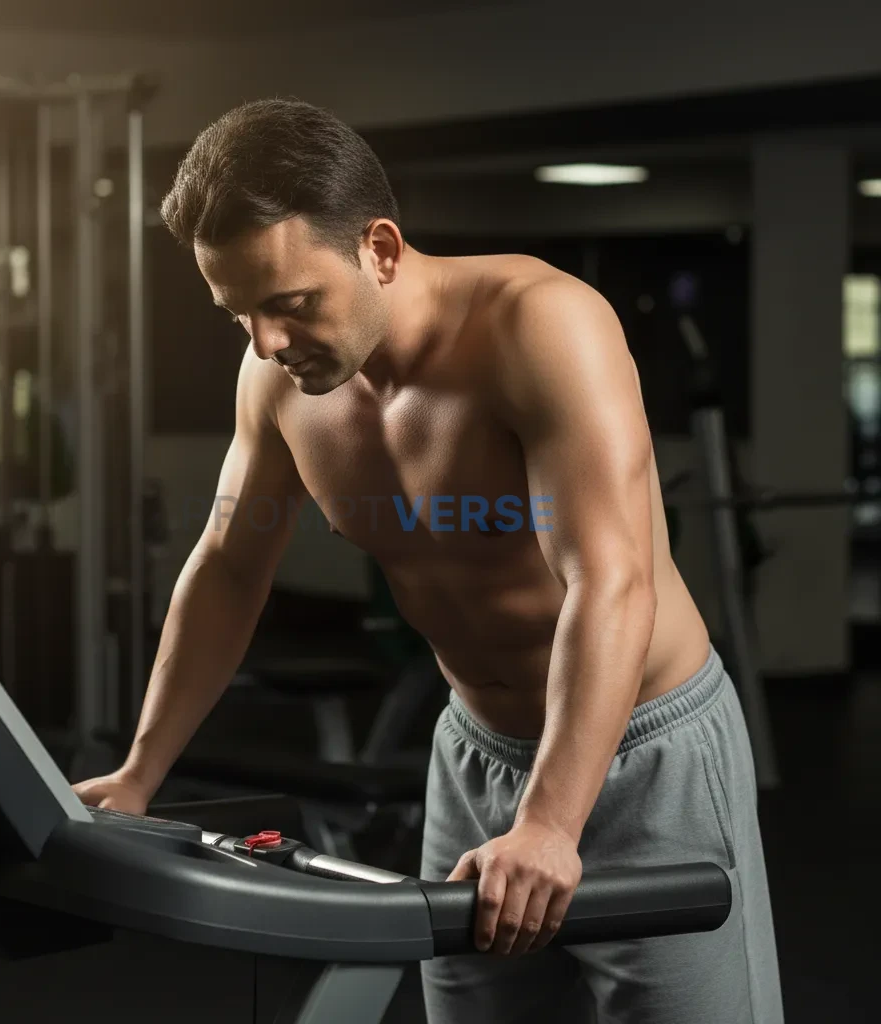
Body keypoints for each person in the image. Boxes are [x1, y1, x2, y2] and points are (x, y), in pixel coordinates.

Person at [73, 98, 783, 1023]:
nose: (266, 343)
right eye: (238, 313)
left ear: (380, 248)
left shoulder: (541, 325)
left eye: (290, 304)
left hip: (644, 756)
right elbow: (228, 568)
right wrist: (140, 773)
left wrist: (551, 823)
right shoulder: (276, 381)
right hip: (475, 756)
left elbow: (609, 581)